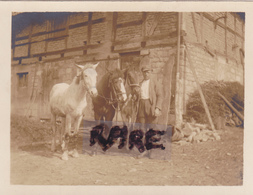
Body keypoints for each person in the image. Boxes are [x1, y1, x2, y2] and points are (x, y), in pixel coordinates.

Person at [136, 63, 163, 132]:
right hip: (141, 106)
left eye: (148, 72)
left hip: (151, 106)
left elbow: (160, 96)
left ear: (151, 72)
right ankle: (143, 142)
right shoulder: (140, 83)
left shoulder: (155, 83)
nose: (146, 74)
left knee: (152, 127)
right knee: (141, 128)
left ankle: (150, 142)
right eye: (144, 72)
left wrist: (157, 108)